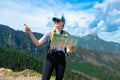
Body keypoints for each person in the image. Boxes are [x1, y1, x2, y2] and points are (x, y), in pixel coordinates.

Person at [24, 15, 76, 80]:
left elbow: (71, 49)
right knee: (45, 78)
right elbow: (38, 43)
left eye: (57, 21)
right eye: (54, 21)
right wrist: (30, 32)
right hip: (51, 57)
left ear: (63, 22)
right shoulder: (50, 33)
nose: (55, 22)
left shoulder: (67, 34)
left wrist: (70, 49)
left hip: (61, 57)